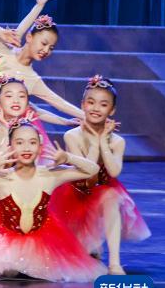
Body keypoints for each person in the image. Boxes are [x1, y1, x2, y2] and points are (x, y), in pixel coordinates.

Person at [0, 120, 106, 281]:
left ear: (40, 147)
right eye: (19, 143)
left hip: (41, 242)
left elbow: (92, 170)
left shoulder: (50, 175)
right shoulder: (1, 179)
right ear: (10, 147)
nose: (26, 148)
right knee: (7, 270)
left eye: (32, 142)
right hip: (4, 245)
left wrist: (68, 157)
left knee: (43, 272)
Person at [51, 77, 150, 274]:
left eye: (103, 105)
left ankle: (114, 263)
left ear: (112, 111)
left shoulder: (117, 142)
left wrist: (104, 141)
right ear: (82, 105)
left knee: (112, 196)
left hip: (101, 193)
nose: (96, 108)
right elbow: (88, 172)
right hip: (76, 195)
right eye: (91, 102)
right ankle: (87, 244)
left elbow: (113, 172)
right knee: (79, 256)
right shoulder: (72, 136)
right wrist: (96, 142)